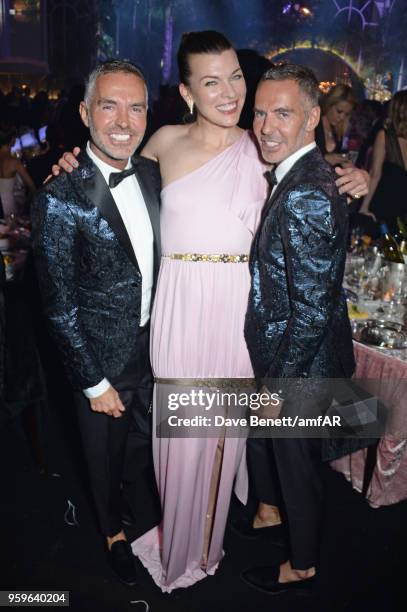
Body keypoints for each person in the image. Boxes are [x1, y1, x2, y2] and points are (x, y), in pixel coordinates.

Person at [53, 33, 368, 593]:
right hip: (179, 301)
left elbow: (314, 169)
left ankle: (213, 531)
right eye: (211, 81)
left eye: (236, 78)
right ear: (188, 91)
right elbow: (108, 177)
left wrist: (356, 175)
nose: (230, 93)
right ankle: (182, 536)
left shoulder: (262, 144)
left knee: (227, 430)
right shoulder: (161, 143)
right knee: (178, 432)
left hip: (238, 308)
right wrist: (69, 164)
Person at [31, 60, 161, 586]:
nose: (124, 120)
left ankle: (136, 506)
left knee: (139, 444)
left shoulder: (152, 172)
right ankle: (111, 532)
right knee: (100, 455)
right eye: (110, 105)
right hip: (100, 357)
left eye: (136, 106)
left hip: (154, 343)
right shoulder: (58, 195)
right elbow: (57, 305)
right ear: (86, 113)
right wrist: (93, 381)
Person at [242, 63, 355, 594]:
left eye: (282, 113)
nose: (266, 125)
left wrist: (278, 387)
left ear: (312, 118)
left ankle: (302, 565)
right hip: (296, 358)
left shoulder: (307, 190)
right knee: (288, 460)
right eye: (261, 112)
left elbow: (311, 309)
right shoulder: (299, 174)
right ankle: (274, 520)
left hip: (300, 368)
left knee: (299, 469)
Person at [359, 90, 407, 232]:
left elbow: (375, 173)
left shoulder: (385, 136)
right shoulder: (386, 136)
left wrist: (363, 207)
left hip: (387, 201)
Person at [316, 83, 357, 167]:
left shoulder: (339, 128)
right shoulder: (314, 124)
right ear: (329, 104)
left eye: (346, 114)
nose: (342, 117)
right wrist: (324, 159)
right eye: (339, 111)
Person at [0, 123, 35, 218]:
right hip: (8, 206)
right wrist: (26, 206)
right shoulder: (14, 162)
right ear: (12, 140)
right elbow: (32, 187)